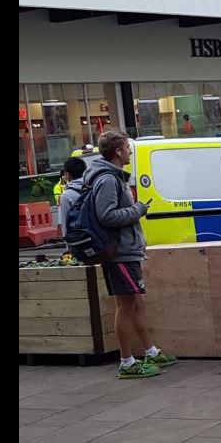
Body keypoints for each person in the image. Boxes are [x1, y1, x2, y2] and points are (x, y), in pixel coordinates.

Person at [85, 130, 177, 379]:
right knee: (124, 305)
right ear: (117, 151)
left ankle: (150, 350)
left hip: (126, 250)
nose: (129, 152)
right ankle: (126, 362)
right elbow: (107, 215)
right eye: (127, 148)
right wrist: (137, 210)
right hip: (120, 253)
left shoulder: (113, 177)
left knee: (135, 301)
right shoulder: (108, 180)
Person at [58, 157, 87, 238]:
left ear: (67, 174)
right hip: (98, 239)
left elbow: (65, 224)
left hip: (79, 240)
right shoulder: (93, 187)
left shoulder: (66, 196)